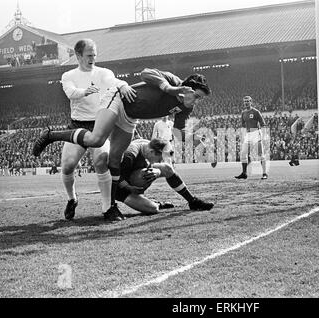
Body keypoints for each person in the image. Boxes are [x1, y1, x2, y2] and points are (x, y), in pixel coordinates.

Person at [33, 68, 211, 221]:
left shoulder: (187, 107)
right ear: (187, 87)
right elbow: (145, 73)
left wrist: (197, 141)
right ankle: (51, 135)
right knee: (96, 140)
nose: (196, 101)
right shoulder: (173, 81)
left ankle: (110, 207)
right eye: (196, 96)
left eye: (200, 99)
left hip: (131, 117)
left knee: (115, 159)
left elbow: (178, 132)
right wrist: (170, 88)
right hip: (118, 99)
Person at [57, 39, 136, 220]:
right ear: (78, 56)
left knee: (101, 161)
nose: (92, 58)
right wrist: (86, 91)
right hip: (78, 125)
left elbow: (112, 81)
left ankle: (107, 208)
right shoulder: (68, 75)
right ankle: (72, 199)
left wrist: (123, 84)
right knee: (68, 166)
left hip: (99, 124)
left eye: (94, 55)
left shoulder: (103, 72)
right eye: (88, 55)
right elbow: (70, 93)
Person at [115, 138, 214, 215]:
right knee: (152, 208)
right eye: (159, 158)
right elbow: (113, 174)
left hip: (133, 175)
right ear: (152, 152)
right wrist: (129, 187)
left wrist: (157, 172)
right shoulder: (130, 155)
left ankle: (193, 201)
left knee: (167, 168)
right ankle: (157, 203)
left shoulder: (147, 147)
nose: (160, 161)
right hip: (119, 188)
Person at [234, 96, 268, 180]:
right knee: (243, 154)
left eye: (247, 101)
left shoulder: (256, 112)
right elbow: (242, 125)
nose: (246, 103)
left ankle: (264, 173)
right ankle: (244, 173)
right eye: (245, 101)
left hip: (256, 133)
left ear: (251, 102)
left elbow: (263, 123)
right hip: (248, 134)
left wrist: (263, 134)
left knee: (261, 155)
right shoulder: (243, 113)